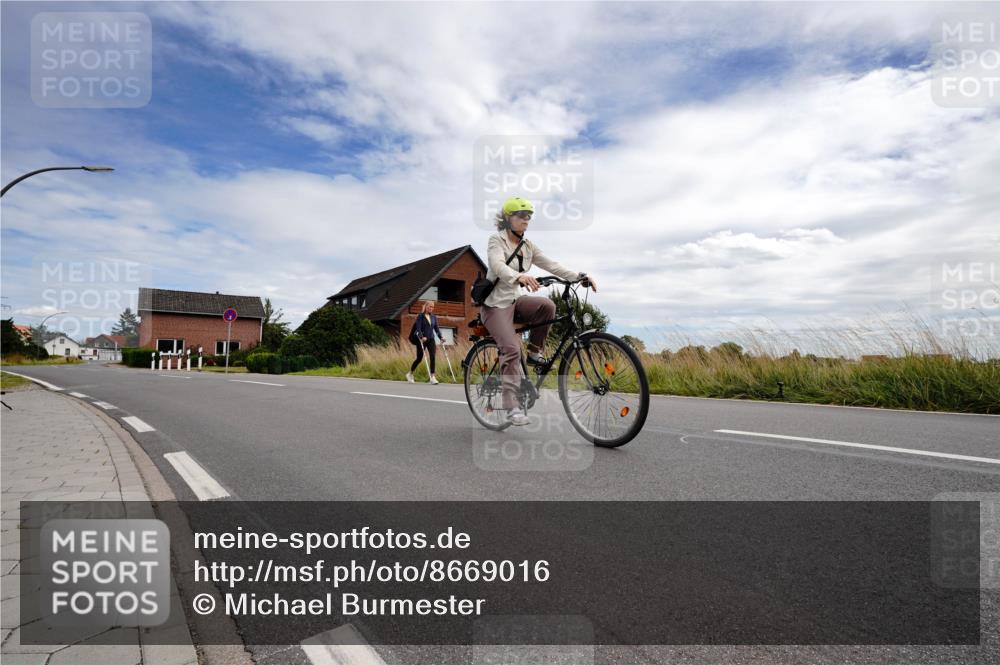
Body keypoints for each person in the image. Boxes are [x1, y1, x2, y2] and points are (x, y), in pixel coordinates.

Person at [480, 196, 597, 425]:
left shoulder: (528, 246)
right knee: (512, 349)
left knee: (547, 306)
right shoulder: (497, 240)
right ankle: (511, 407)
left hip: (515, 301)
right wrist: (519, 276)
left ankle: (534, 354)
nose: (526, 219)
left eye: (529, 216)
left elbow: (552, 265)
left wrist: (579, 277)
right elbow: (497, 265)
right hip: (495, 305)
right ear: (508, 218)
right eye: (521, 215)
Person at [406, 301, 445, 384]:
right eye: (430, 306)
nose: (431, 308)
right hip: (422, 340)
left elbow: (436, 329)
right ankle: (410, 374)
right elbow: (418, 328)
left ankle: (432, 377)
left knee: (433, 356)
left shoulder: (434, 317)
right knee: (419, 358)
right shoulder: (420, 316)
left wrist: (441, 337)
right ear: (426, 306)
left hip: (431, 339)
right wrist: (421, 337)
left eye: (432, 307)